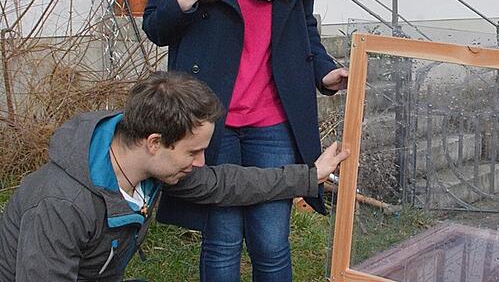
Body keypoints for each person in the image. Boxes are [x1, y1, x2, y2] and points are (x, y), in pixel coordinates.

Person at [141, 0, 348, 280]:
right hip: (209, 121)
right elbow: (158, 27)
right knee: (222, 242)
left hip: (273, 118)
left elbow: (302, 27)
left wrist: (324, 72)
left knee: (272, 243)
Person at [0, 71, 348, 281]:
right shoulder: (60, 204)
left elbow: (224, 183)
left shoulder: (144, 165)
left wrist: (310, 175)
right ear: (154, 142)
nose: (200, 163)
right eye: (193, 152)